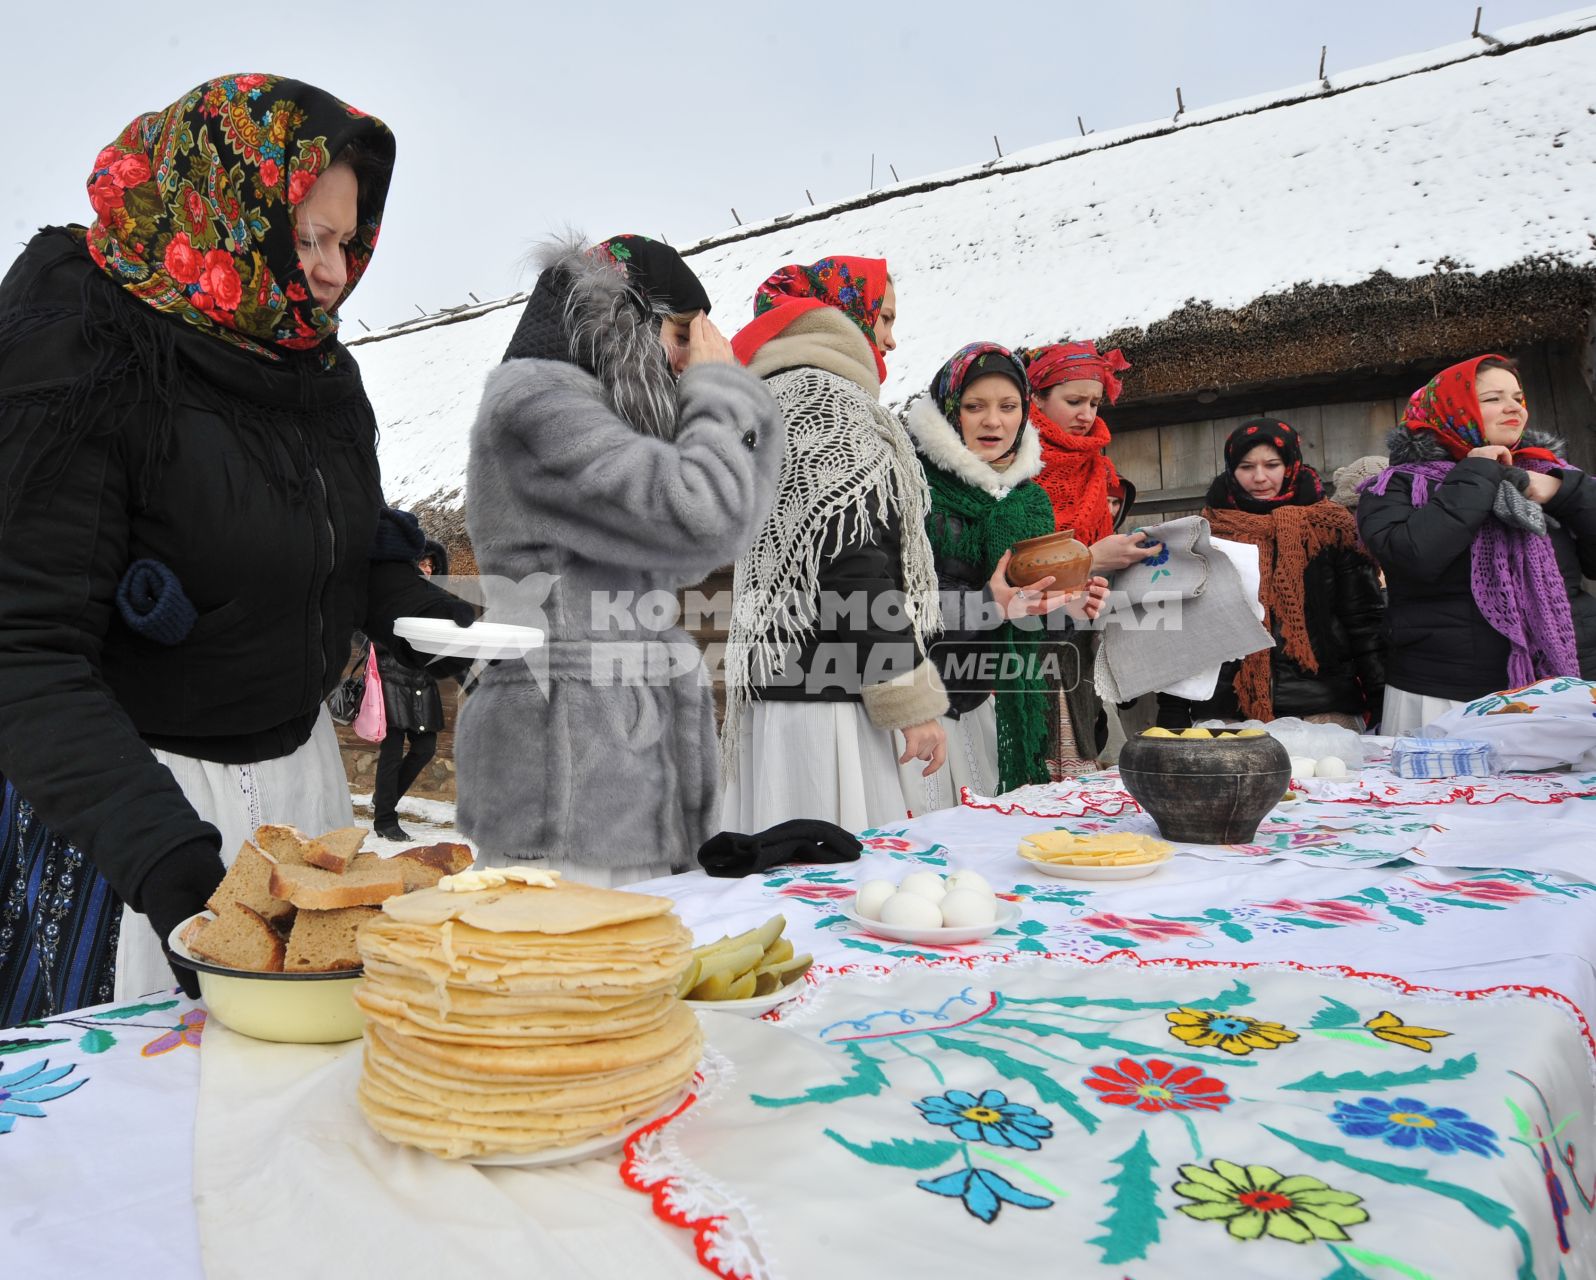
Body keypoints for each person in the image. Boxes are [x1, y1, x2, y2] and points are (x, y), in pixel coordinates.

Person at [0, 75, 471, 1011]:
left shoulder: (317, 367)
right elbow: (24, 646)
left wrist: (402, 601)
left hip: (300, 794)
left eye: (345, 241)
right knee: (156, 1124)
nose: (335, 271)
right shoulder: (88, 356)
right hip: (133, 818)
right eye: (308, 238)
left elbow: (340, 523)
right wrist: (167, 863)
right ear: (227, 208)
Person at [456, 235, 783, 886]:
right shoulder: (539, 410)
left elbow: (682, 556)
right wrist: (721, 388)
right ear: (632, 322)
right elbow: (704, 520)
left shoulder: (582, 412)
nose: (688, 362)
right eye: (683, 337)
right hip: (564, 757)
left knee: (635, 961)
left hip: (603, 740)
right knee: (571, 968)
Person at [721, 257, 951, 830]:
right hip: (830, 711)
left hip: (780, 690)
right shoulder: (831, 407)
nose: (892, 341)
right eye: (884, 318)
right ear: (845, 314)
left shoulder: (766, 403)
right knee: (836, 888)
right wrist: (910, 704)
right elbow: (855, 565)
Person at [902, 342, 1108, 809]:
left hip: (999, 704)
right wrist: (988, 603)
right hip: (927, 707)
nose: (993, 421)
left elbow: (1034, 624)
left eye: (1008, 406)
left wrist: (1069, 608)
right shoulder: (914, 491)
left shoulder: (1029, 501)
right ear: (950, 411)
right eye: (975, 406)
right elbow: (893, 608)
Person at [1358, 355, 1596, 733]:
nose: (1512, 407)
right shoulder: (1398, 485)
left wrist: (1564, 492)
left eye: (1518, 397)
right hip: (1446, 691)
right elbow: (1414, 558)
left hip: (1562, 683)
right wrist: (1478, 472)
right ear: (1452, 409)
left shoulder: (1553, 475)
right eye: (1492, 398)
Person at [1157, 419, 1385, 730]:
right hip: (1226, 709)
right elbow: (1184, 628)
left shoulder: (1332, 528)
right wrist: (1172, 711)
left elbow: (1363, 619)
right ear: (1230, 469)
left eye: (1272, 464)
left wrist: (1381, 699)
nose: (1260, 477)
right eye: (1246, 466)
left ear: (1291, 464)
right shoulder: (1204, 534)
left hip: (1320, 708)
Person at [1019, 341, 1159, 774]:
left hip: (1078, 646)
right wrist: (1092, 557)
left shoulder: (1098, 469)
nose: (1087, 414)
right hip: (1022, 651)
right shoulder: (1014, 464)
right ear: (1036, 398)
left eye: (1095, 402)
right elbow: (1012, 569)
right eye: (1073, 400)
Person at [371, 536, 451, 841]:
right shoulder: (390, 594)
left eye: (432, 564)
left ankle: (384, 799)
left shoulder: (438, 600)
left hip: (422, 683)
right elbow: (365, 630)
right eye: (422, 562)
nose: (428, 568)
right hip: (391, 678)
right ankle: (385, 820)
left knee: (424, 748)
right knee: (391, 752)